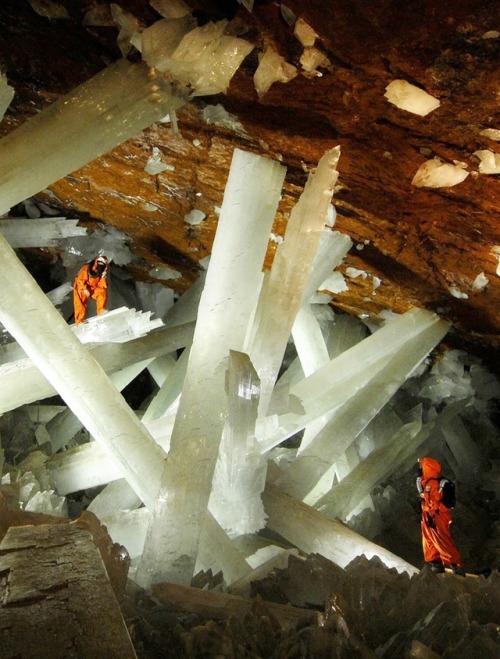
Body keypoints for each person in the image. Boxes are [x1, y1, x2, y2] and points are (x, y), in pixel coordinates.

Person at [416, 456, 465, 576]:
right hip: (428, 516)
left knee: (442, 540)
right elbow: (424, 496)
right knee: (429, 541)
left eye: (422, 466)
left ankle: (455, 565)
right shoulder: (425, 482)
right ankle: (435, 563)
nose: (420, 469)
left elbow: (447, 503)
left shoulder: (439, 483)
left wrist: (435, 509)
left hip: (438, 516)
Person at [73, 255, 109, 325]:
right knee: (80, 303)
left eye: (103, 263)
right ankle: (79, 321)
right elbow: (80, 279)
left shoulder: (102, 272)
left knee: (102, 292)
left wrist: (103, 278)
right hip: (81, 287)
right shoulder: (86, 268)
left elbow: (102, 286)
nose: (101, 264)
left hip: (93, 288)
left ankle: (101, 310)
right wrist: (84, 289)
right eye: (99, 262)